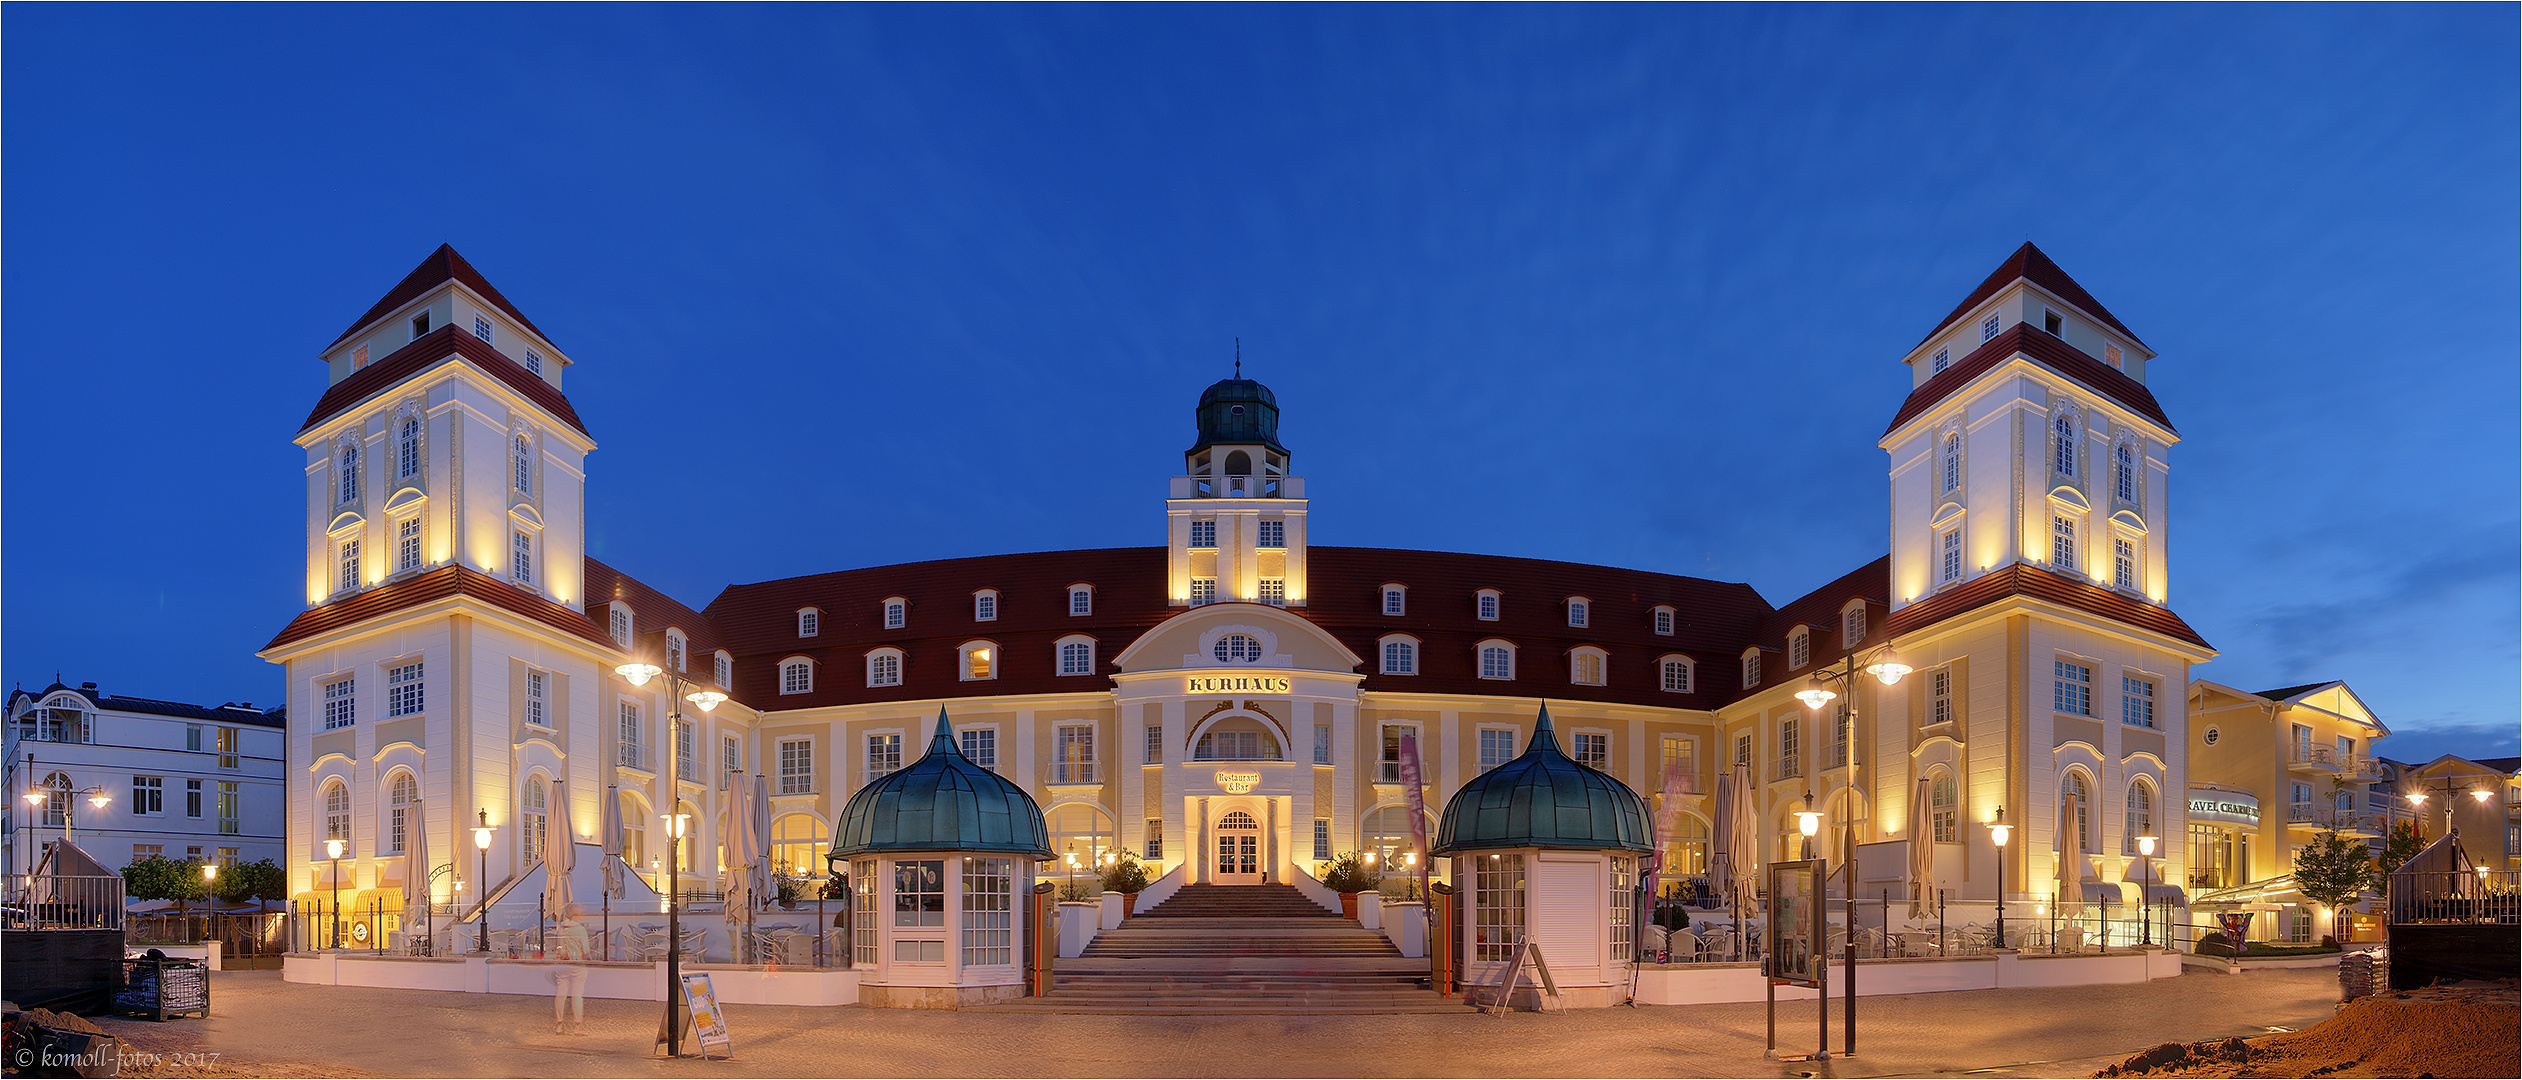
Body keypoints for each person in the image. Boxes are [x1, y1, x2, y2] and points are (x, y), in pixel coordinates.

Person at [553, 904, 590, 1035]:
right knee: (577, 996)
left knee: (560, 994)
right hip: (577, 965)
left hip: (562, 965)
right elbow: (586, 950)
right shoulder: (580, 930)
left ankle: (559, 1024)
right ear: (574, 915)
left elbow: (557, 946)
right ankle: (577, 1026)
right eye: (580, 914)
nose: (582, 916)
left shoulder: (561, 928)